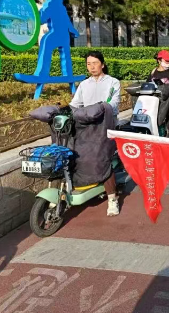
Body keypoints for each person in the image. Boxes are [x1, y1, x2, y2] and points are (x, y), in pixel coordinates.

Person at [70, 51, 122, 217]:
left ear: (102, 64)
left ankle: (112, 199)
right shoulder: (84, 84)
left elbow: (113, 104)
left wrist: (99, 108)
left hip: (106, 125)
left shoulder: (113, 82)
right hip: (87, 128)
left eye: (95, 63)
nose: (92, 67)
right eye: (88, 64)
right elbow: (75, 105)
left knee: (102, 159)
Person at [147, 50, 169, 139]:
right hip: (156, 104)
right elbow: (148, 85)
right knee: (155, 125)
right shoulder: (153, 73)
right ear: (159, 60)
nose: (168, 63)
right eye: (166, 61)